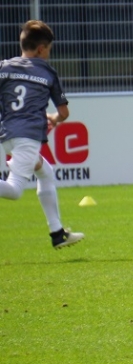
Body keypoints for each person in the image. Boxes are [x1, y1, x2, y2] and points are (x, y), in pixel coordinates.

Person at [0, 20, 84, 249]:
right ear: (40, 49)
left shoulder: (4, 67)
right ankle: (57, 233)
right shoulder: (47, 72)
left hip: (8, 134)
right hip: (27, 137)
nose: (48, 54)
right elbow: (64, 112)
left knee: (45, 172)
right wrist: (53, 119)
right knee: (14, 190)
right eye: (49, 50)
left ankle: (57, 233)